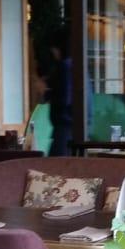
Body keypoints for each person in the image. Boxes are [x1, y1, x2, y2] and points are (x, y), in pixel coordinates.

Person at [45, 27, 73, 156]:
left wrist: (48, 94)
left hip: (65, 126)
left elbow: (64, 98)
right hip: (73, 127)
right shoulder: (77, 66)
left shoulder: (65, 67)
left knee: (55, 164)